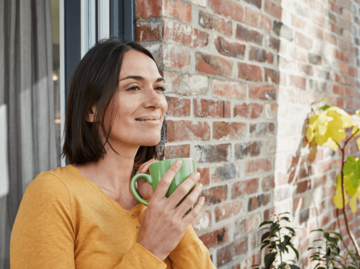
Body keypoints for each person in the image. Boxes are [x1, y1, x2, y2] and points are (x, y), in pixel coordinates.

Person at [10, 39, 216, 268]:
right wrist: (151, 249)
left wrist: (171, 210)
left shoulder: (150, 197)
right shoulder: (54, 194)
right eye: (133, 87)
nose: (157, 101)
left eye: (159, 88)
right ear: (92, 109)